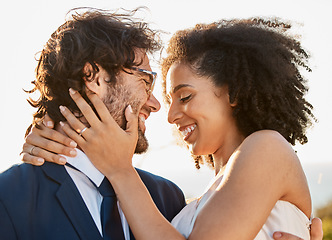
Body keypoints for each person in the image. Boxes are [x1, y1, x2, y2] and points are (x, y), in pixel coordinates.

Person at [21, 17, 324, 240]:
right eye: (170, 100)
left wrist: (120, 171)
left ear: (232, 93)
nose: (171, 115)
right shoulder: (183, 205)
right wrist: (55, 134)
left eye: (186, 96)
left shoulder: (266, 147)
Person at [0, 8, 186, 240]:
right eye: (145, 80)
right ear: (94, 77)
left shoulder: (167, 198)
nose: (156, 104)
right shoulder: (9, 197)